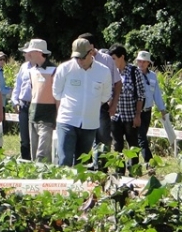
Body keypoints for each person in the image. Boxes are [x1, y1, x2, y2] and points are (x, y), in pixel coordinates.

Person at [52, 38, 112, 166]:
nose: (79, 61)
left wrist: (91, 105)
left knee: (82, 163)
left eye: (82, 58)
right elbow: (56, 92)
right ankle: (63, 185)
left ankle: (77, 187)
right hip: (67, 120)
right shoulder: (64, 68)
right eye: (76, 57)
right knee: (64, 160)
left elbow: (105, 96)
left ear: (91, 53)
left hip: (90, 124)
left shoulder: (104, 71)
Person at [79, 33, 122, 171]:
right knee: (85, 138)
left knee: (103, 138)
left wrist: (114, 104)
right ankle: (86, 168)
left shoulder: (106, 60)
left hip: (101, 105)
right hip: (83, 106)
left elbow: (117, 83)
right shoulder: (77, 58)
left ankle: (102, 170)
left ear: (92, 46)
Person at [109, 44, 145, 175]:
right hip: (116, 116)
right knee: (117, 145)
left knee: (133, 145)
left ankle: (134, 172)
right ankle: (119, 172)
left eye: (113, 58)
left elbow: (141, 95)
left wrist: (138, 115)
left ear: (121, 57)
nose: (112, 61)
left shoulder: (134, 71)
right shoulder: (111, 72)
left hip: (130, 116)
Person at [23, 39, 57, 163]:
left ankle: (45, 180)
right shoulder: (31, 71)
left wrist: (57, 117)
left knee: (42, 155)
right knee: (34, 156)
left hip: (48, 117)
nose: (28, 55)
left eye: (30, 52)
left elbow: (58, 96)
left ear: (38, 52)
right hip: (33, 115)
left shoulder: (54, 70)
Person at [135, 50, 167, 164]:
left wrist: (162, 109)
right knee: (141, 138)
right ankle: (150, 162)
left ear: (149, 63)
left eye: (144, 62)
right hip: (136, 112)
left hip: (148, 111)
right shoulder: (133, 74)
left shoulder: (152, 76)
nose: (142, 64)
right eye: (140, 61)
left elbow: (156, 94)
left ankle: (134, 163)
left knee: (140, 138)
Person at [11, 42, 33, 160]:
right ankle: (25, 160)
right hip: (24, 104)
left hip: (36, 105)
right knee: (24, 137)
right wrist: (15, 101)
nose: (24, 54)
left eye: (25, 52)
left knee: (35, 137)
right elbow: (18, 85)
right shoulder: (24, 67)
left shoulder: (41, 67)